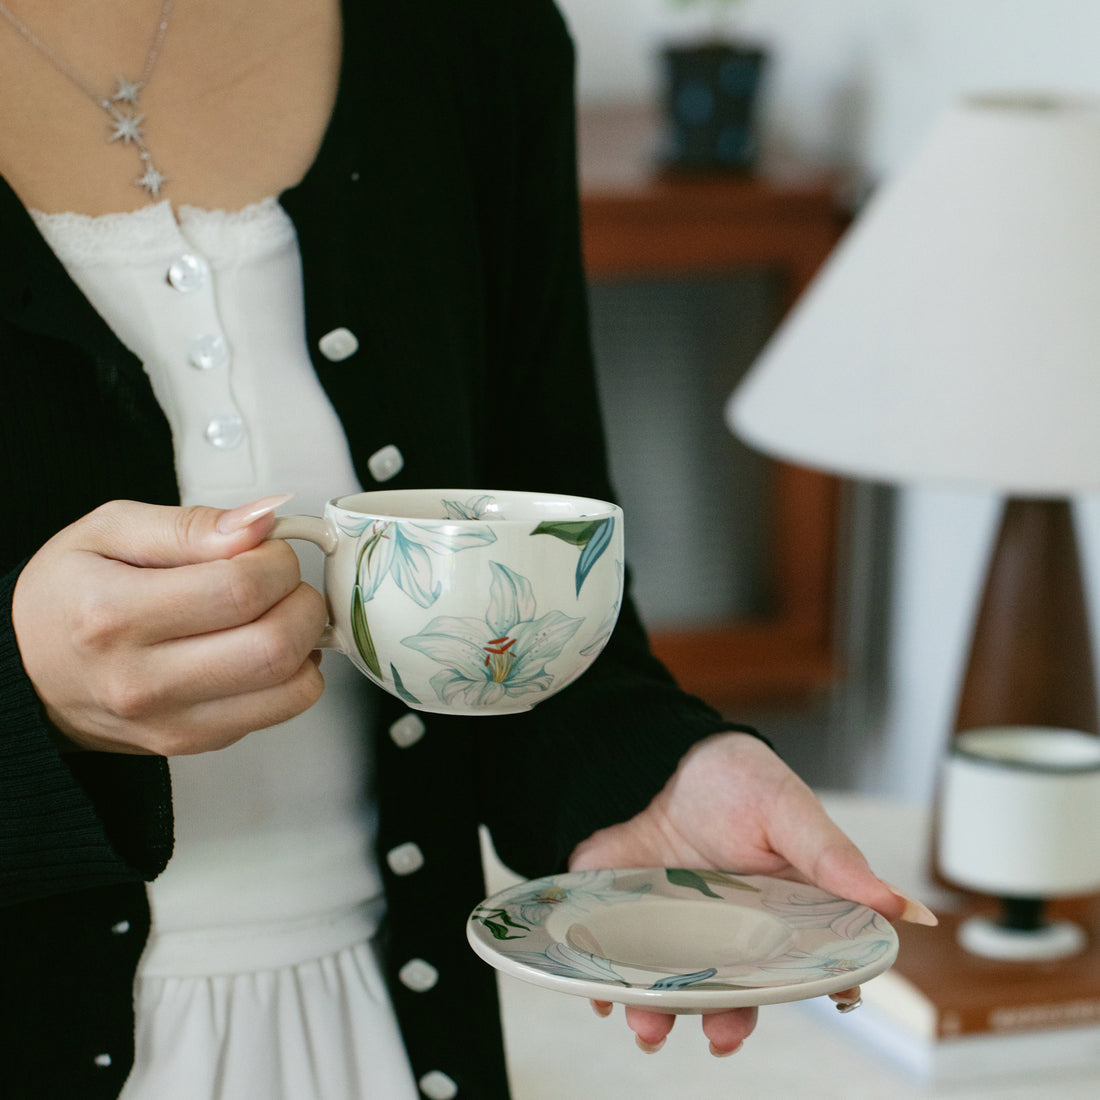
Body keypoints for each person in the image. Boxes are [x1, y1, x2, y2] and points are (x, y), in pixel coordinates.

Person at [0, 0, 935, 1097]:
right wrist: (28, 705)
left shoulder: (472, 31)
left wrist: (653, 771)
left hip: (386, 1036)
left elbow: (544, 598)